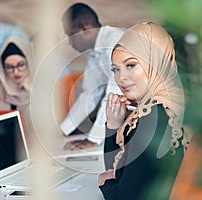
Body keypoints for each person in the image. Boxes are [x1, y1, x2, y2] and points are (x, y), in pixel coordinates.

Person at [98, 22, 186, 200]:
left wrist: (105, 184)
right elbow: (119, 173)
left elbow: (123, 195)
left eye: (131, 65)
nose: (121, 78)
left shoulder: (154, 117)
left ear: (157, 62)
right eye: (115, 69)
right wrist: (114, 124)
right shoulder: (176, 101)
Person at [59, 3, 124, 150]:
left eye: (71, 35)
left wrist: (93, 140)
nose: (70, 42)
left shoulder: (113, 43)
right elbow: (89, 94)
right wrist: (63, 130)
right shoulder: (95, 52)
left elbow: (114, 93)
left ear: (84, 28)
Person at [0, 37, 33, 116]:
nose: (16, 72)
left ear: (29, 62)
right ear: (3, 68)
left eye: (21, 65)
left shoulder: (41, 87)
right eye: (9, 67)